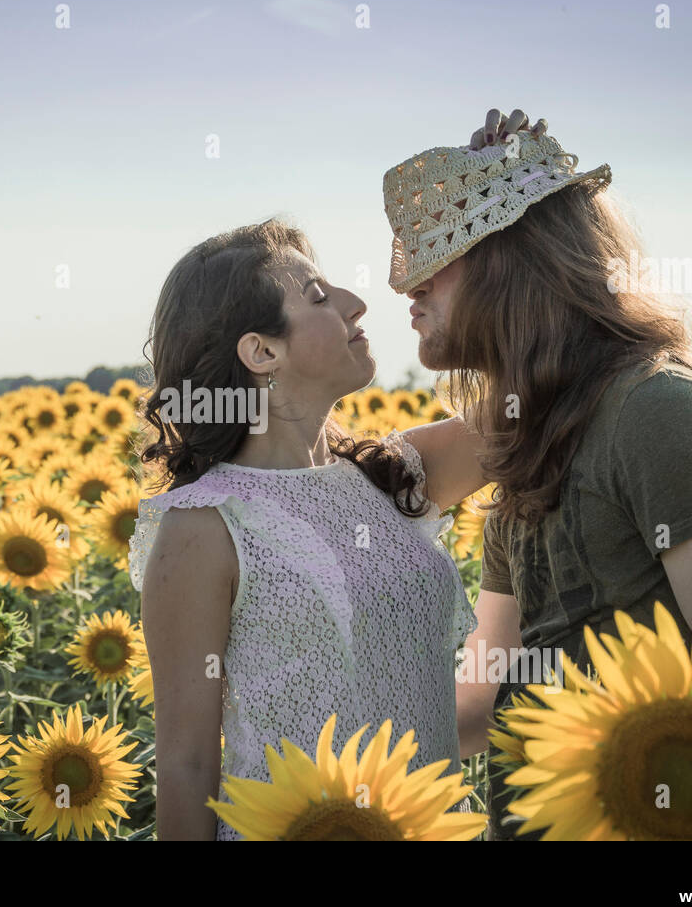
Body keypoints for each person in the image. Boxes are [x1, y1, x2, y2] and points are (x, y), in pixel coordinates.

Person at [381, 109, 692, 841]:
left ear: (511, 261)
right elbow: (480, 698)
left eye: (443, 250)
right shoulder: (523, 443)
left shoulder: (657, 411)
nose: (408, 285)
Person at [128, 219, 487, 840]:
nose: (355, 302)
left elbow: (537, 403)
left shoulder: (392, 477)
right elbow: (187, 767)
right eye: (318, 297)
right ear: (262, 352)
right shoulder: (206, 527)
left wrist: (506, 201)